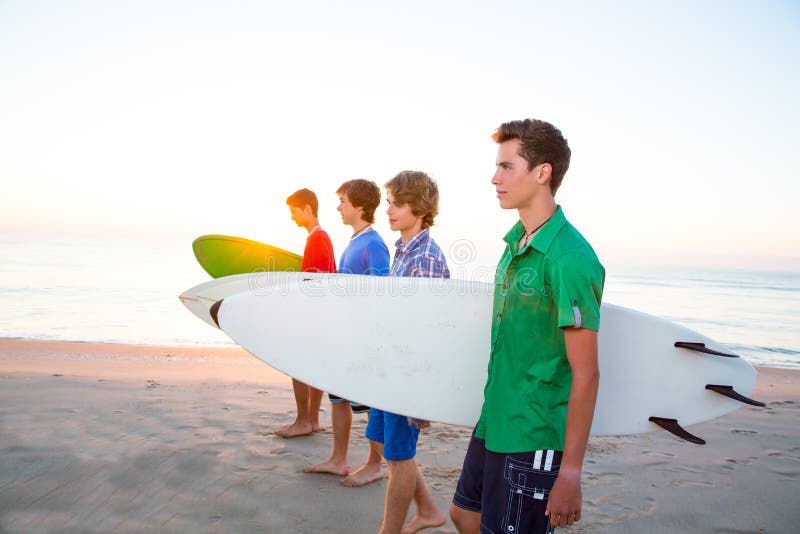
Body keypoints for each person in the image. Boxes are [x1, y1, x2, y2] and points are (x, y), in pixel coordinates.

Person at [449, 119, 605, 534]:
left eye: (506, 167)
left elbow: (587, 373)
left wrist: (569, 474)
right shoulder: (516, 243)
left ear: (542, 172)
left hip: (535, 433)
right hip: (496, 418)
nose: (494, 178)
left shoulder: (568, 257)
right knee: (465, 515)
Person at [365, 171, 449, 534]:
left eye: (398, 204)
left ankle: (389, 532)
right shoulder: (403, 250)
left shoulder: (426, 257)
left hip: (408, 376)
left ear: (419, 208)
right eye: (389, 203)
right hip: (391, 369)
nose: (389, 210)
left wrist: (420, 397)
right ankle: (428, 510)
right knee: (386, 445)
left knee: (399, 458)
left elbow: (429, 332)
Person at [303, 179, 390, 480]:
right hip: (344, 335)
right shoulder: (354, 242)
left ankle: (375, 465)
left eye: (343, 201)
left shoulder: (375, 244)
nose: (338, 207)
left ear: (360, 206)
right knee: (338, 398)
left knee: (370, 405)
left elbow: (382, 294)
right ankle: (338, 459)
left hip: (363, 340)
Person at [277, 188, 337, 438]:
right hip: (322, 316)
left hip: (316, 316)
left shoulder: (318, 238)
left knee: (297, 364)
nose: (292, 217)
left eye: (294, 211)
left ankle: (304, 420)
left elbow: (320, 282)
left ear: (308, 209)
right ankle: (311, 420)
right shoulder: (319, 237)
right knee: (312, 367)